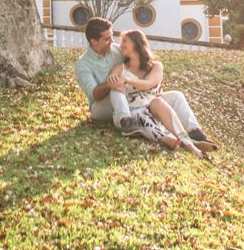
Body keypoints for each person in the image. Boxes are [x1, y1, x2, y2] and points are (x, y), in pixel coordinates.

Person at [74, 16, 219, 154]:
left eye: (112, 36)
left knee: (176, 96)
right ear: (94, 41)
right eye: (107, 38)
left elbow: (139, 62)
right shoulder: (83, 64)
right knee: (117, 90)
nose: (112, 41)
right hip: (103, 105)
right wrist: (110, 84)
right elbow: (94, 94)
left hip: (134, 98)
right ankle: (130, 123)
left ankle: (195, 131)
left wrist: (153, 85)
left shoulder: (118, 50)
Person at [116, 27, 211, 158]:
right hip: (135, 109)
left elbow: (149, 84)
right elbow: (112, 85)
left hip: (153, 103)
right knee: (143, 114)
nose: (121, 45)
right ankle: (183, 142)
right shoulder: (120, 68)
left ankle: (195, 132)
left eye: (125, 41)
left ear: (136, 43)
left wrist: (127, 80)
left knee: (176, 95)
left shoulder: (156, 66)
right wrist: (114, 83)